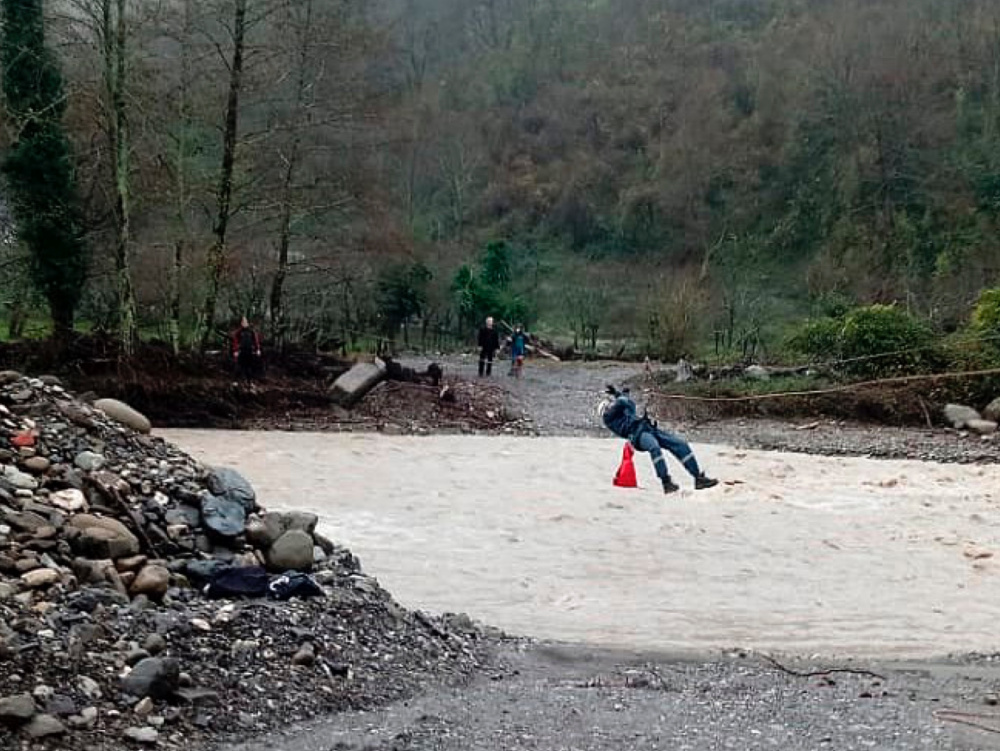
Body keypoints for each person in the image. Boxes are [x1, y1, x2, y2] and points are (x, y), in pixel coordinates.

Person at [598, 384, 718, 493]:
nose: (610, 404)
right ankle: (666, 482)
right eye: (608, 404)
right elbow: (623, 402)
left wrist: (618, 394)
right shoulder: (608, 418)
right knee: (654, 447)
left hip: (647, 428)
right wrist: (618, 395)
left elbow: (628, 404)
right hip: (637, 436)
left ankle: (698, 478)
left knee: (680, 444)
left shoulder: (620, 411)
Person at [231, 316, 262, 383]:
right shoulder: (239, 332)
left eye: (245, 322)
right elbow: (235, 341)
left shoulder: (251, 331)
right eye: (242, 322)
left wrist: (258, 349)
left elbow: (256, 341)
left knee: (249, 367)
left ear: (247, 323)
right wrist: (235, 350)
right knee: (238, 366)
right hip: (241, 351)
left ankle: (249, 382)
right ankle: (235, 382)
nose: (244, 323)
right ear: (241, 323)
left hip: (249, 351)